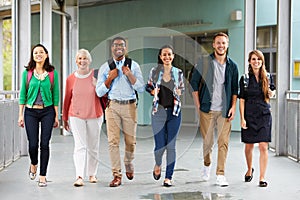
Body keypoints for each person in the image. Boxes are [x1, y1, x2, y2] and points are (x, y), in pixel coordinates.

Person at [190, 32, 239, 187]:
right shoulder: (204, 62)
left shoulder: (233, 66)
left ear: (227, 45)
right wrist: (198, 106)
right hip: (207, 109)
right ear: (213, 45)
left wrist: (233, 107)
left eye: (223, 43)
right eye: (218, 43)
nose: (221, 45)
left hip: (224, 110)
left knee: (223, 142)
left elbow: (235, 90)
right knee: (208, 142)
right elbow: (194, 84)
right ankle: (207, 164)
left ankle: (220, 174)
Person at [96, 36, 145, 187]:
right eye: (116, 45)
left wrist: (129, 75)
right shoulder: (106, 67)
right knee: (113, 142)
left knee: (130, 142)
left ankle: (128, 162)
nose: (119, 47)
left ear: (126, 48)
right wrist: (109, 79)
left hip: (130, 106)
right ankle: (116, 175)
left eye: (122, 45)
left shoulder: (133, 65)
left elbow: (141, 88)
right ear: (112, 48)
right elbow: (99, 92)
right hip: (113, 107)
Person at [18, 44, 60, 187]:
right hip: (30, 112)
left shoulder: (52, 73)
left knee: (44, 144)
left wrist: (55, 115)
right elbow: (23, 94)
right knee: (33, 144)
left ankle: (42, 176)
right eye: (36, 52)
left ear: (46, 55)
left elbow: (56, 94)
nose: (38, 54)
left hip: (47, 111)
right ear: (33, 56)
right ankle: (34, 163)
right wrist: (20, 115)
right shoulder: (27, 73)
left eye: (41, 52)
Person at [62, 49, 103, 187]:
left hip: (94, 115)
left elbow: (104, 95)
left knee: (93, 146)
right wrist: (65, 118)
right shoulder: (71, 79)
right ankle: (79, 176)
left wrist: (97, 86)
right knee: (80, 146)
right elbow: (67, 99)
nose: (82, 61)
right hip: (76, 116)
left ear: (89, 61)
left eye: (85, 58)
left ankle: (92, 174)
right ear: (76, 61)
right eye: (79, 58)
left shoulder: (96, 76)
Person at [145, 45, 184, 187]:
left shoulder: (178, 72)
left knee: (171, 146)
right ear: (160, 57)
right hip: (158, 113)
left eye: (169, 55)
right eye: (164, 55)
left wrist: (180, 92)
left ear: (173, 56)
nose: (167, 57)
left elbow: (182, 88)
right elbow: (148, 86)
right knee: (160, 146)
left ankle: (168, 177)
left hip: (174, 113)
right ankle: (158, 163)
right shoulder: (154, 71)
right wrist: (152, 92)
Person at [239, 50, 275, 187]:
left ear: (262, 61)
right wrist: (242, 119)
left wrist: (272, 93)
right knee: (249, 146)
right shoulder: (245, 79)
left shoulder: (268, 77)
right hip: (249, 116)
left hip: (264, 115)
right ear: (249, 61)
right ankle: (249, 169)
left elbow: (272, 91)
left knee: (263, 146)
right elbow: (242, 100)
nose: (256, 62)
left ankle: (262, 177)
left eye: (259, 59)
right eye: (253, 59)